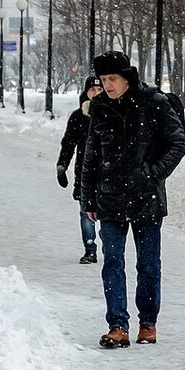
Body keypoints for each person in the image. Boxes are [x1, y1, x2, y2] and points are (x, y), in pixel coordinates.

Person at [80, 50, 185, 348]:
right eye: (103, 79)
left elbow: (178, 143)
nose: (108, 85)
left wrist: (151, 173)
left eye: (113, 78)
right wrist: (88, 198)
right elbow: (92, 155)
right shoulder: (100, 107)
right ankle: (117, 325)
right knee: (112, 262)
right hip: (110, 199)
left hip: (147, 199)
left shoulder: (153, 103)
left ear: (127, 77)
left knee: (148, 265)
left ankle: (148, 323)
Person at [57, 76, 103, 264]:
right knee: (86, 211)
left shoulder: (114, 114)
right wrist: (62, 165)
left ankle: (110, 247)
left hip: (110, 172)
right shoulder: (79, 116)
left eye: (100, 90)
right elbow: (68, 143)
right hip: (85, 171)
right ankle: (90, 248)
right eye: (92, 90)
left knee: (108, 213)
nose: (96, 93)